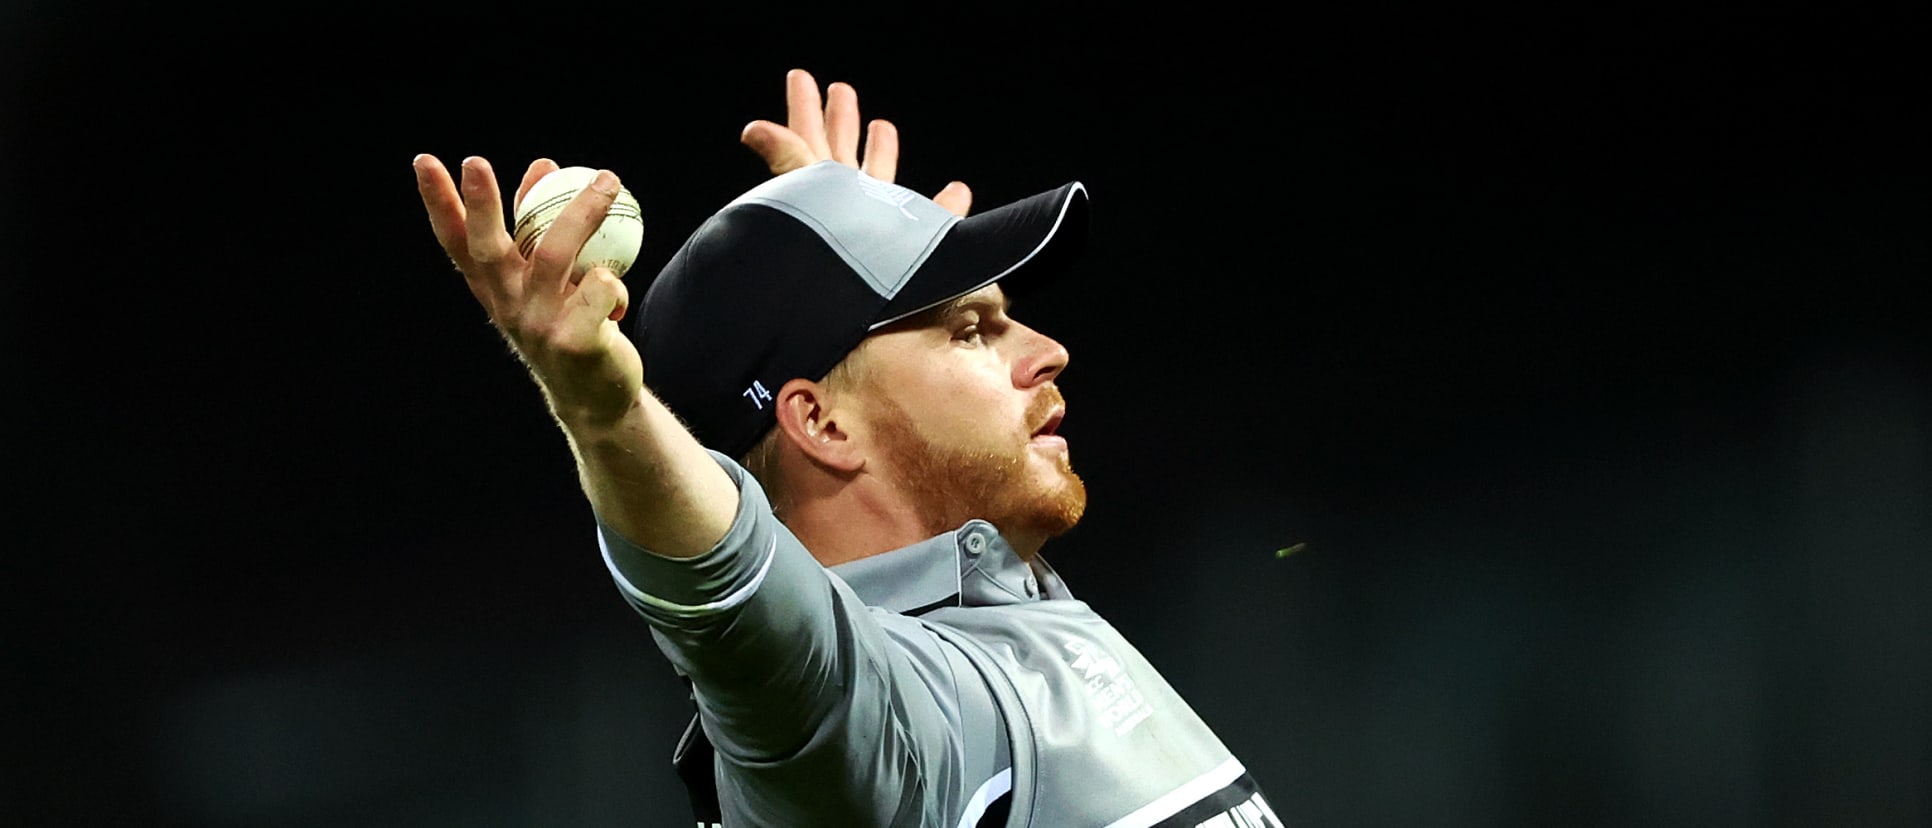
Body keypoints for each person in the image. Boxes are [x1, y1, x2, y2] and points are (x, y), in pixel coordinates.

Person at [412, 69, 1282, 828]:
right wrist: (607, 415)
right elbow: (737, 604)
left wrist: (852, 220)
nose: (1046, 351)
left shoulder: (1002, 608)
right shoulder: (882, 722)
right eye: (972, 330)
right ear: (821, 423)